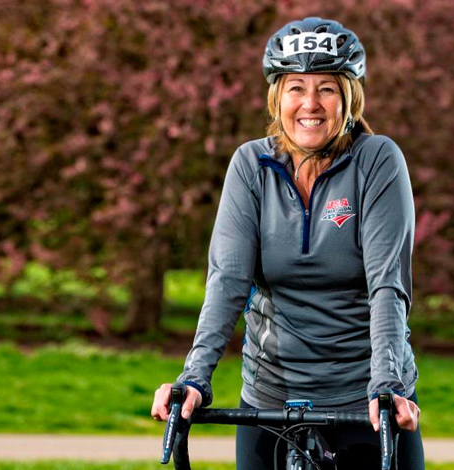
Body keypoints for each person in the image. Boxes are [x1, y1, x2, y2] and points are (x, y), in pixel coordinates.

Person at [151, 16, 423, 470]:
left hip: (364, 398)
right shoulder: (250, 164)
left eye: (327, 89)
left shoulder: (377, 161)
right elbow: (227, 281)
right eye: (296, 87)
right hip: (271, 396)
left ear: (349, 98)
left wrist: (386, 385)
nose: (310, 104)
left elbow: (387, 286)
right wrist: (195, 376)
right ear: (278, 97)